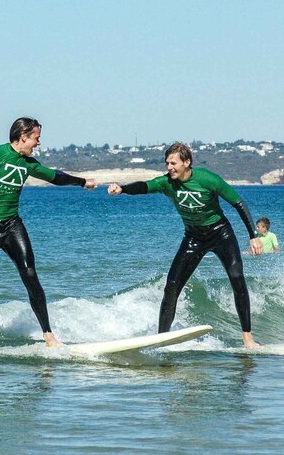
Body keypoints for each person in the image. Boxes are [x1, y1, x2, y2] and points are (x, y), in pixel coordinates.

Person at [107, 143, 264, 349]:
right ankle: (161, 340)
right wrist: (123, 189)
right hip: (193, 237)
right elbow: (144, 186)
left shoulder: (207, 179)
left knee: (237, 281)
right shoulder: (167, 183)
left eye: (173, 163)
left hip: (221, 234)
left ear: (186, 162)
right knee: (171, 287)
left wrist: (253, 236)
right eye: (167, 163)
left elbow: (238, 203)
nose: (169, 167)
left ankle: (248, 339)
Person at [0, 117, 97, 346]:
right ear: (23, 137)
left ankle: (49, 336)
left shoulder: (29, 164)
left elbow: (56, 177)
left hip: (12, 225)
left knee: (30, 274)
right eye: (36, 138)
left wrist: (82, 182)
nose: (39, 143)